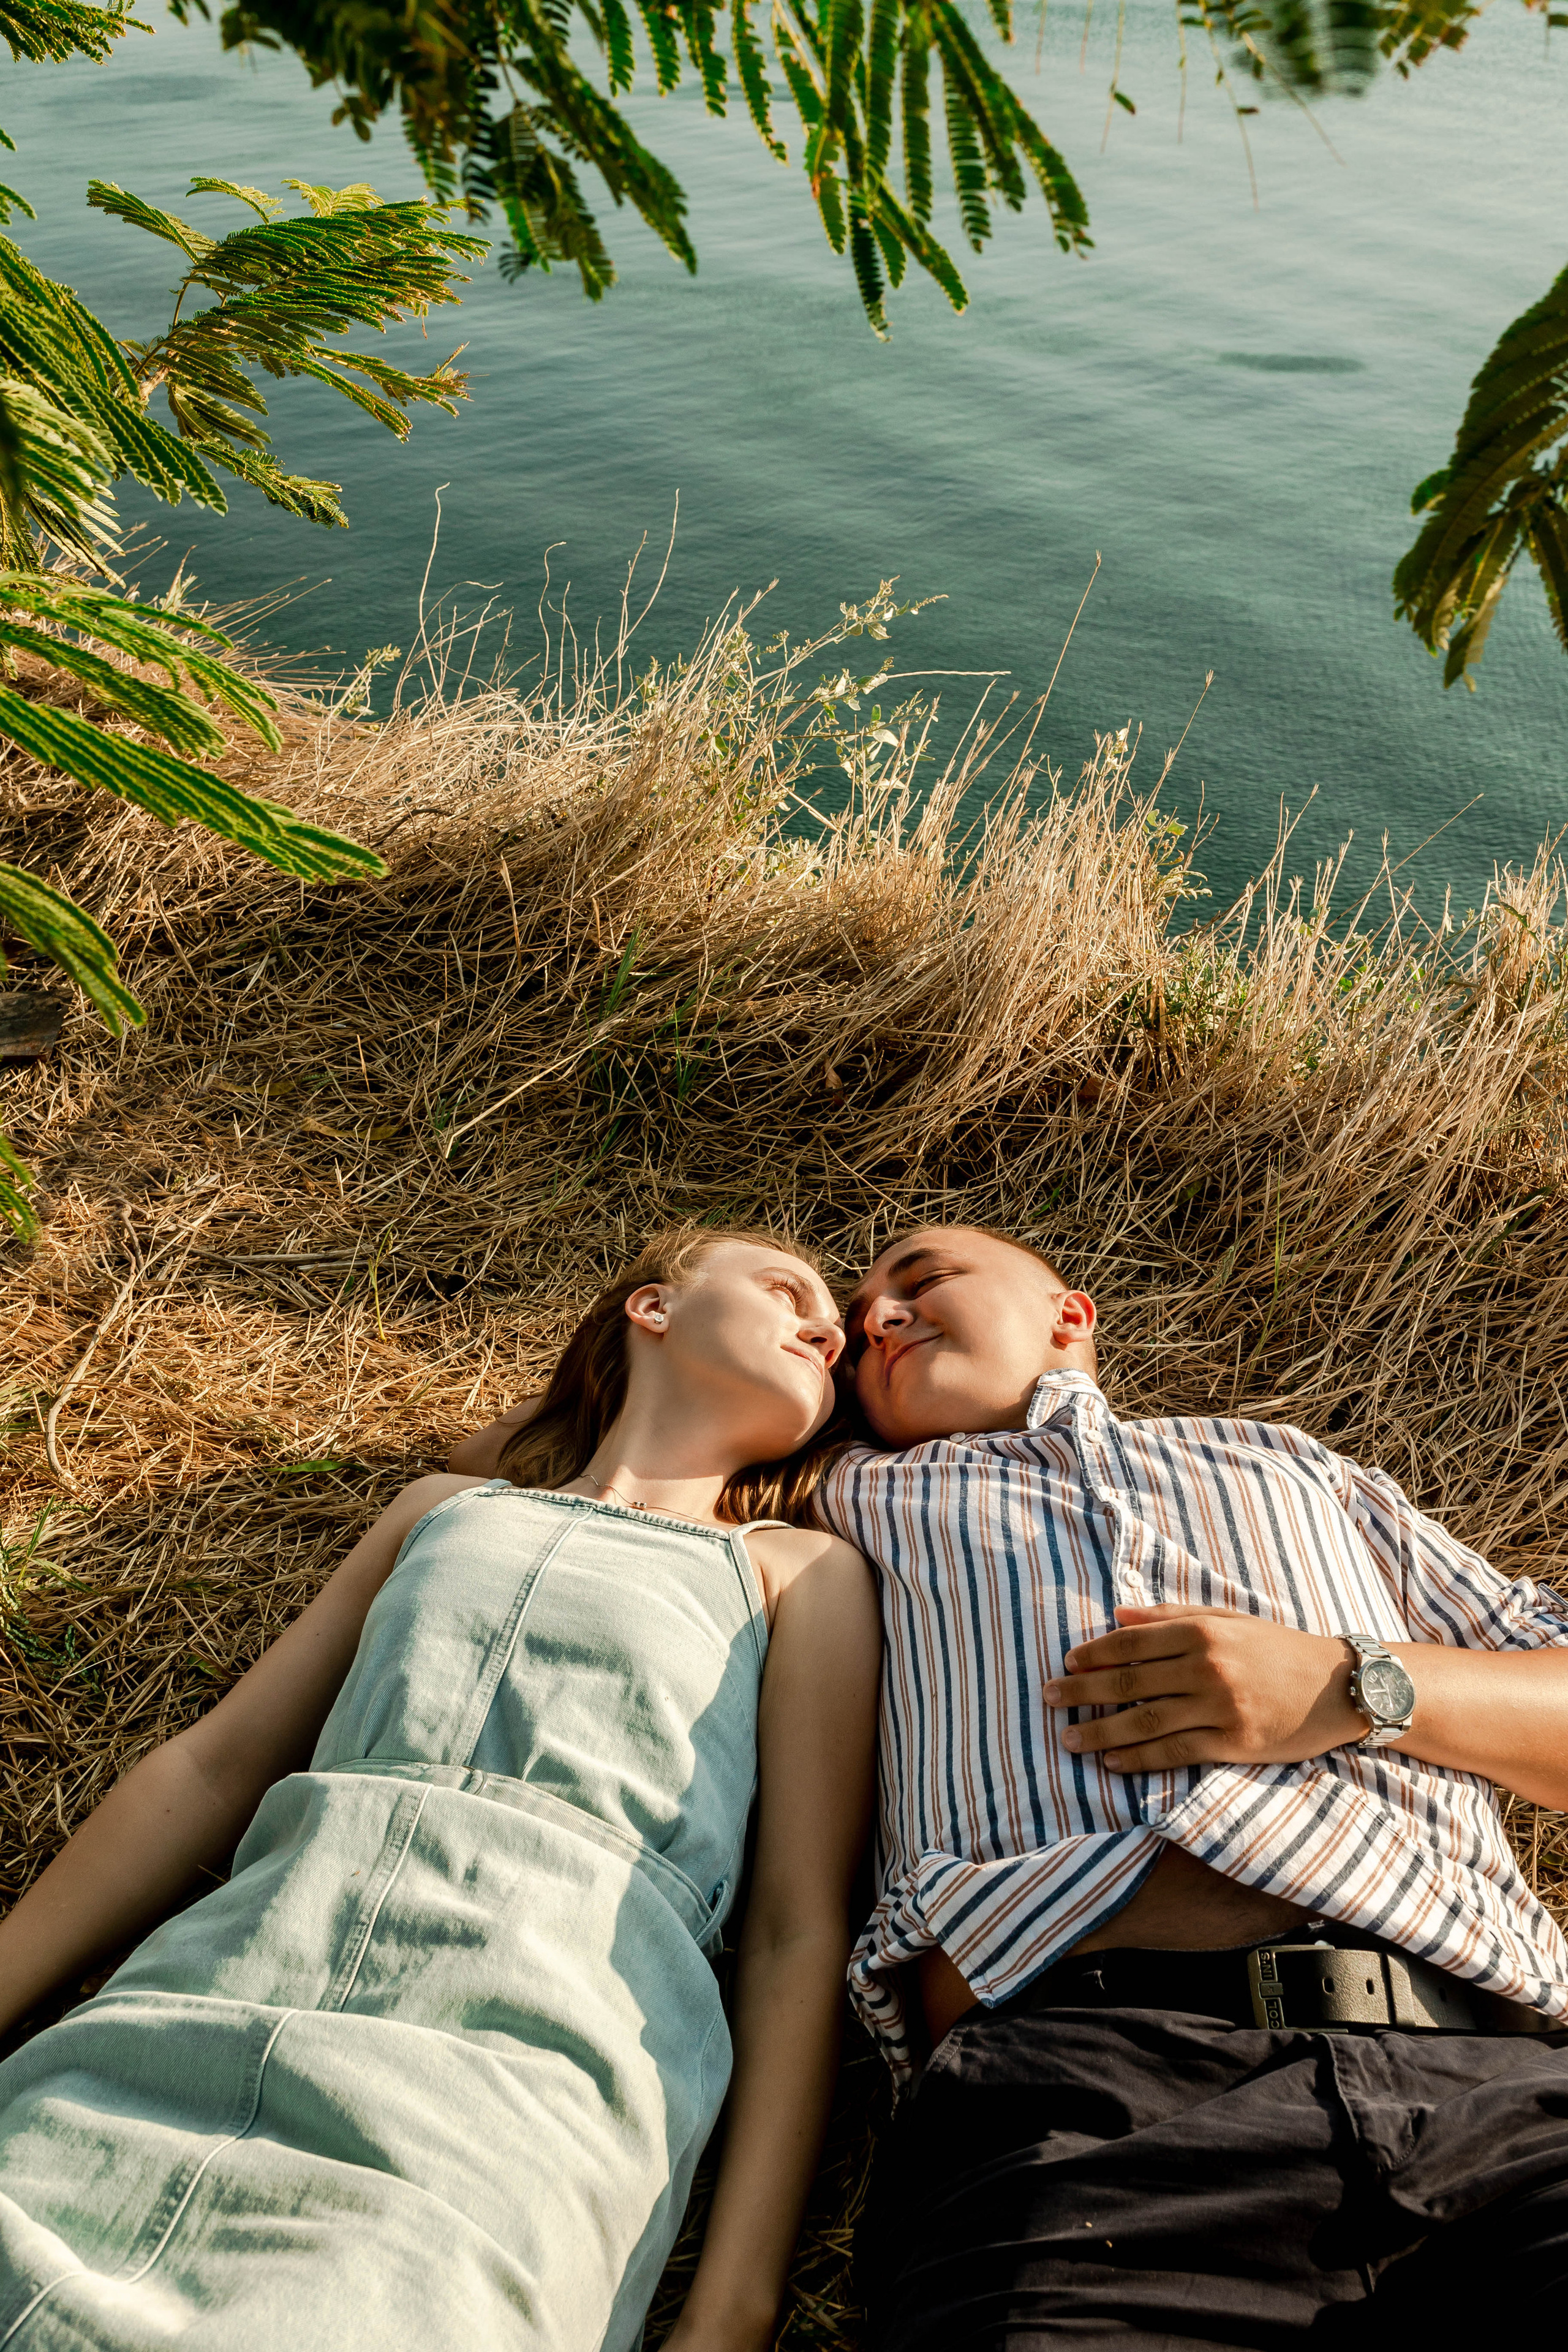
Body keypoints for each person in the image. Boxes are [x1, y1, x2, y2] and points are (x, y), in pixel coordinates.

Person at [0, 1226, 881, 2352]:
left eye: (836, 1336)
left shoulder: (792, 1570)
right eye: (784, 1290)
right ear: (652, 1308)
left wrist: (730, 2313)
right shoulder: (443, 1510)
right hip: (227, 1980)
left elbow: (794, 1932)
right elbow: (211, 1768)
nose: (826, 1327)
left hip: (526, 2065)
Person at [813, 1223, 1568, 2348]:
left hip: (1497, 2091)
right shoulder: (842, 1501)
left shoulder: (1287, 1464)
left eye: (922, 1282)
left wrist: (1352, 1681)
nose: (876, 1317)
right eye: (854, 1323)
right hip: (1080, 2115)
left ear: (1070, 1316)